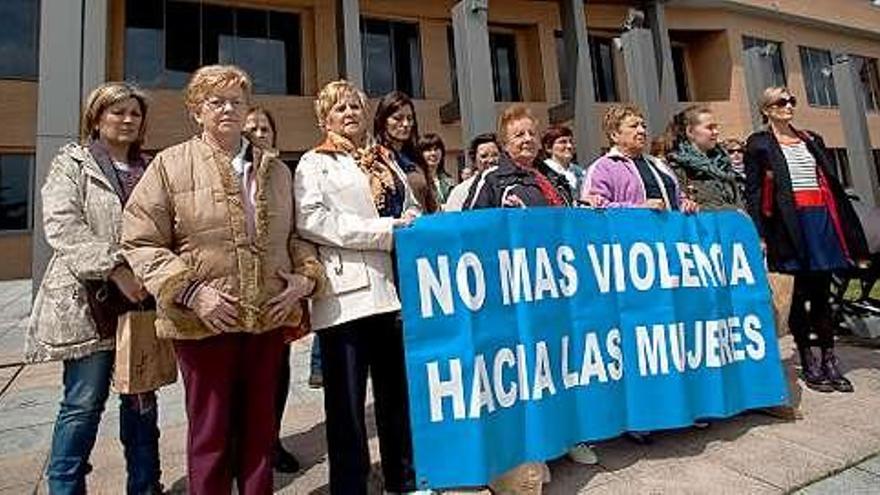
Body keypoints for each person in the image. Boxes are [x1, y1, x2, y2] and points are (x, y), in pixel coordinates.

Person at [123, 65, 326, 495]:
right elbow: (140, 242)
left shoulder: (276, 169)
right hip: (204, 324)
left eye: (237, 100)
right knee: (210, 435)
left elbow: (296, 237)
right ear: (197, 111)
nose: (228, 109)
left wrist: (304, 279)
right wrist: (193, 293)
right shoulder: (170, 165)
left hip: (267, 318)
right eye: (216, 101)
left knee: (260, 431)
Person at [24, 82, 163, 495]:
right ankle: (65, 488)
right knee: (83, 404)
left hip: (141, 305)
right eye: (116, 112)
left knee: (142, 404)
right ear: (96, 118)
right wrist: (116, 268)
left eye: (134, 113)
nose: (126, 120)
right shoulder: (74, 163)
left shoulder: (152, 167)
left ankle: (145, 485)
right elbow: (64, 228)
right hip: (90, 303)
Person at [293, 80, 429, 495]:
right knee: (347, 406)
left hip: (391, 293)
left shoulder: (382, 159)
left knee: (395, 398)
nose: (349, 113)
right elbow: (313, 221)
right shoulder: (313, 163)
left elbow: (411, 205)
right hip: (344, 297)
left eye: (355, 106)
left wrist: (408, 219)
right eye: (339, 109)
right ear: (324, 118)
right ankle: (349, 487)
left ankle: (402, 480)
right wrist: (384, 230)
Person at [744, 86, 869, 393]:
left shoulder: (811, 139)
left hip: (820, 219)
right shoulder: (759, 144)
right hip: (788, 224)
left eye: (791, 101)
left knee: (822, 292)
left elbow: (828, 180)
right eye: (781, 102)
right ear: (767, 109)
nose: (788, 106)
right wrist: (761, 233)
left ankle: (829, 357)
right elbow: (755, 192)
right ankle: (807, 358)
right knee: (798, 295)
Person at [242, 105, 309, 473]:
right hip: (236, 298)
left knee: (277, 374)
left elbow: (296, 231)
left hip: (278, 294)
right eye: (251, 128)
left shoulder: (284, 173)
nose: (258, 134)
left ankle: (271, 440)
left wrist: (303, 275)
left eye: (265, 128)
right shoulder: (232, 172)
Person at [582, 104, 698, 214]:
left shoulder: (659, 165)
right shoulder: (602, 168)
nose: (642, 131)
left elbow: (678, 199)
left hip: (672, 233)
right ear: (614, 135)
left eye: (643, 126)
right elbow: (591, 209)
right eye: (633, 126)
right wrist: (638, 210)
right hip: (631, 234)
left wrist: (686, 205)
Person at [466, 105, 571, 209]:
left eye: (532, 133)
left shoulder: (555, 178)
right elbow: (473, 220)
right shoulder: (492, 179)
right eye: (519, 135)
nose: (528, 139)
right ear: (504, 144)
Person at [663, 105, 744, 210]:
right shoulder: (676, 167)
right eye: (710, 128)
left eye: (716, 127)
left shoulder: (722, 164)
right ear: (690, 132)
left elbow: (737, 202)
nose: (716, 132)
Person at [374, 91, 440, 213]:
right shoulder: (374, 159)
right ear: (383, 120)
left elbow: (431, 203)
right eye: (398, 118)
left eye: (410, 118)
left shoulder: (416, 158)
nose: (405, 124)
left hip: (425, 227)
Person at [445, 133, 500, 212]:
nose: (491, 160)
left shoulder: (510, 186)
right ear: (474, 161)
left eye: (495, 155)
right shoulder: (461, 191)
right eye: (484, 156)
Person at [540, 125, 586, 200]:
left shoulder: (581, 172)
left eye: (571, 141)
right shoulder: (543, 172)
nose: (569, 146)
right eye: (562, 142)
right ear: (548, 147)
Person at [419, 132, 455, 205]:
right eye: (428, 150)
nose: (433, 153)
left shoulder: (448, 180)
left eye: (436, 149)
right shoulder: (418, 180)